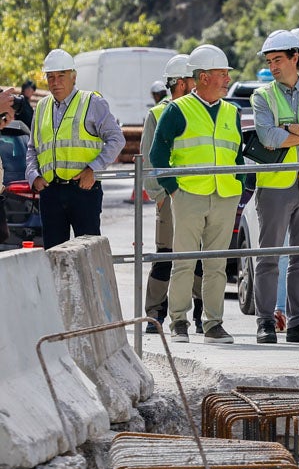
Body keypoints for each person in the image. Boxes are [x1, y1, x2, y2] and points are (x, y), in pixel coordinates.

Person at [148, 43, 244, 345]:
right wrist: (174, 190)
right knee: (184, 261)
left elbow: (237, 154)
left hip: (225, 195)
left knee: (216, 264)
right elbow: (157, 154)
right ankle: (179, 322)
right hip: (189, 196)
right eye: (222, 73)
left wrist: (237, 182)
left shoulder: (232, 111)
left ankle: (213, 324)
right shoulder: (177, 110)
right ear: (203, 77)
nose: (227, 79)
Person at [248, 31, 299, 345]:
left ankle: (298, 322)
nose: (273, 66)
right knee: (269, 257)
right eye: (270, 61)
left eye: (278, 59)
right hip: (275, 185)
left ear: (294, 58)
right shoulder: (262, 96)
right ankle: (265, 322)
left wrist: (287, 128)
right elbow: (268, 138)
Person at [25, 49, 121, 248]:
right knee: (53, 256)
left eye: (61, 76)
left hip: (83, 191)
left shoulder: (92, 102)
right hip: (51, 192)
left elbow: (116, 139)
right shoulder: (41, 107)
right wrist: (33, 175)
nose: (55, 82)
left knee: (88, 253)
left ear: (74, 77)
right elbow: (32, 148)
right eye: (50, 77)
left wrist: (93, 169)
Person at [140, 54, 201, 333]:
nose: (198, 83)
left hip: (198, 194)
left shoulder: (199, 111)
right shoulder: (157, 114)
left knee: (199, 256)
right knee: (166, 254)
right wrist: (159, 195)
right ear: (179, 83)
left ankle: (201, 315)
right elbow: (147, 159)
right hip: (169, 197)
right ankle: (155, 315)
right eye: (193, 79)